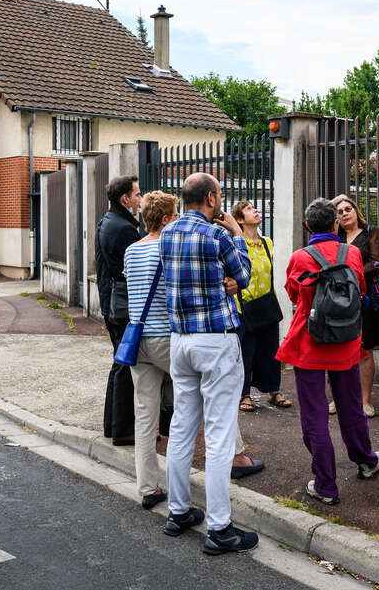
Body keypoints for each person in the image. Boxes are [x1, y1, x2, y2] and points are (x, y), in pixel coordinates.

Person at [125, 192, 265, 512]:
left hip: (139, 339)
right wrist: (227, 269)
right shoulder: (178, 242)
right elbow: (221, 279)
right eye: (172, 214)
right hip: (173, 336)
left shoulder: (133, 250)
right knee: (216, 413)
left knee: (149, 418)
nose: (176, 218)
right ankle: (235, 464)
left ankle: (151, 489)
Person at [159, 173, 259, 555]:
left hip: (180, 340)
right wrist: (236, 232)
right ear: (212, 198)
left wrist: (226, 280)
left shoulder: (167, 234)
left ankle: (179, 511)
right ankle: (219, 528)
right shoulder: (217, 236)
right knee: (219, 434)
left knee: (182, 427)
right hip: (215, 340)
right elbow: (245, 276)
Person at [276, 197, 379, 506]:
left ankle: (325, 483)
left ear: (307, 226)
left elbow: (294, 294)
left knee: (315, 414)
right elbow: (360, 288)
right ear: (335, 224)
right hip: (346, 342)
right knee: (351, 407)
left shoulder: (299, 257)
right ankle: (366, 460)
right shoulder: (350, 253)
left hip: (309, 343)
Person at [331, 194, 379, 417]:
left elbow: (375, 262)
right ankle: (339, 399)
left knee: (364, 351)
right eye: (339, 212)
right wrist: (334, 202)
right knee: (340, 350)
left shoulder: (371, 233)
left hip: (366, 299)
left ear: (356, 211)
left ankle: (365, 400)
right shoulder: (334, 237)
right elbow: (310, 224)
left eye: (348, 209)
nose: (344, 213)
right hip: (340, 299)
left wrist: (349, 274)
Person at [230, 200, 291, 412]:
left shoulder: (267, 242)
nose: (255, 211)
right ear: (239, 219)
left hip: (266, 304)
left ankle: (273, 391)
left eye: (254, 208)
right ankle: (244, 394)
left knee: (271, 350)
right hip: (243, 306)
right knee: (246, 352)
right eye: (248, 209)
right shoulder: (235, 244)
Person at [95, 175, 142, 445]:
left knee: (119, 364)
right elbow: (127, 272)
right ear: (125, 199)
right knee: (125, 366)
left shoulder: (108, 221)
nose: (139, 199)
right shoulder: (122, 228)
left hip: (111, 302)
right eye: (136, 194)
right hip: (121, 306)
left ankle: (114, 426)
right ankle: (123, 430)